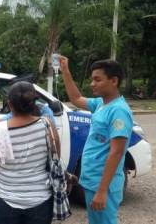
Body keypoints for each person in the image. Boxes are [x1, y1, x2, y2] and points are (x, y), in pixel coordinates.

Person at [59, 56, 133, 224]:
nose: (92, 84)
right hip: (93, 181)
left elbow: (116, 152)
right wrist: (65, 71)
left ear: (114, 81)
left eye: (97, 79)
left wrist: (102, 191)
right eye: (92, 79)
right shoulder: (101, 103)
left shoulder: (118, 111)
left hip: (103, 185)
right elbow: (76, 99)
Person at [0, 82, 56, 224]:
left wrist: (1, 164)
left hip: (5, 199)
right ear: (34, 103)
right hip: (40, 199)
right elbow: (53, 159)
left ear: (9, 104)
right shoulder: (47, 125)